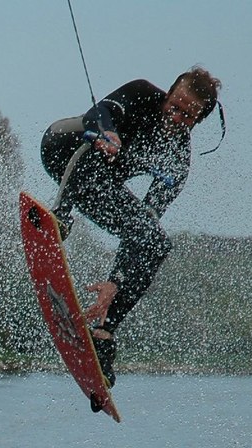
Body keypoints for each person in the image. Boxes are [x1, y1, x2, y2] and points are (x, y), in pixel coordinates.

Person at [40, 67, 222, 386]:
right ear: (168, 94)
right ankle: (61, 216)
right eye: (175, 105)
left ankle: (103, 332)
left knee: (155, 243)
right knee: (93, 142)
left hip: (98, 187)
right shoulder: (142, 94)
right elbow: (101, 111)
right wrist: (107, 132)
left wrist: (115, 280)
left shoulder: (177, 159)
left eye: (187, 115)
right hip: (63, 146)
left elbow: (144, 227)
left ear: (197, 121)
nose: (176, 115)